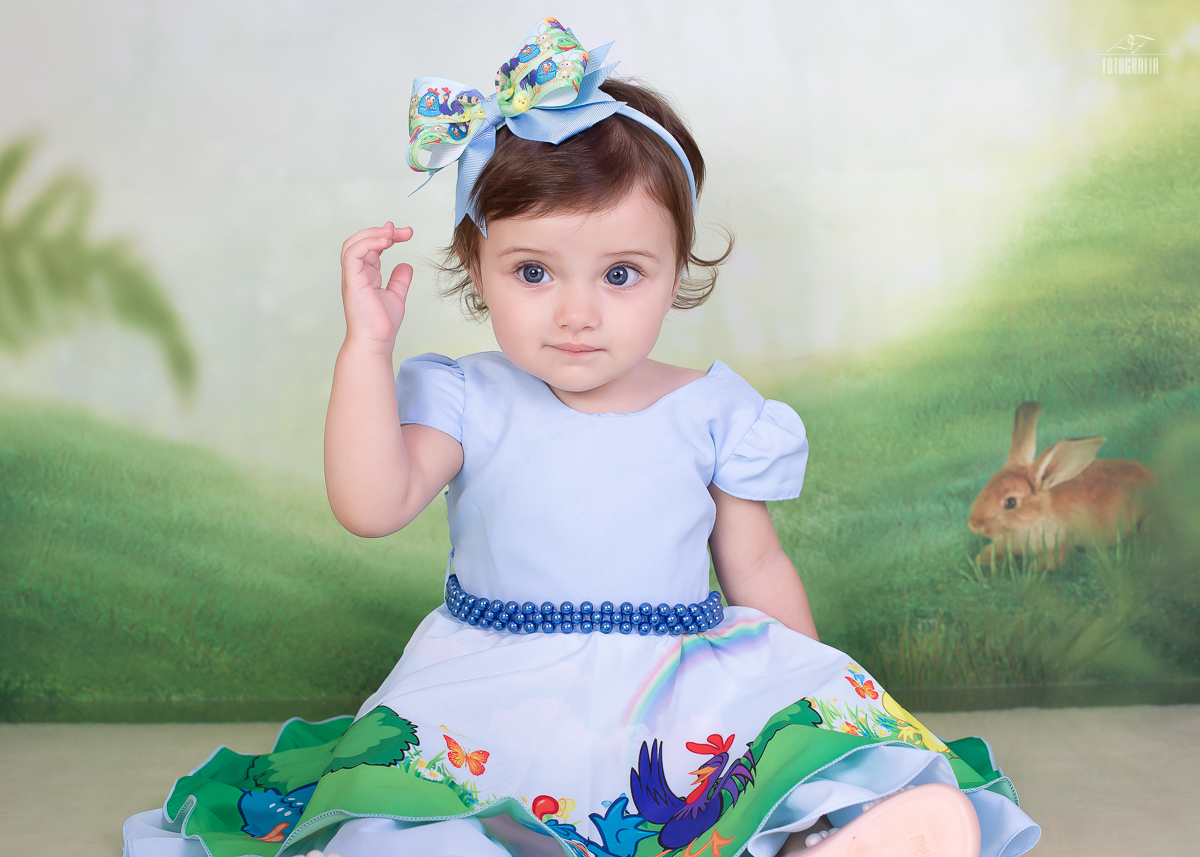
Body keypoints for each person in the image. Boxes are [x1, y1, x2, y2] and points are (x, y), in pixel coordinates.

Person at [122, 17, 1040, 857]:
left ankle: (827, 832)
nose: (577, 313)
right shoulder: (468, 397)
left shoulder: (713, 409)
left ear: (676, 270)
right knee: (408, 820)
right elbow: (371, 504)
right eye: (533, 271)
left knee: (761, 785)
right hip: (493, 693)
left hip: (677, 694)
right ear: (476, 265)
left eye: (621, 274)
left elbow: (755, 566)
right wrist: (366, 347)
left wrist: (815, 721)